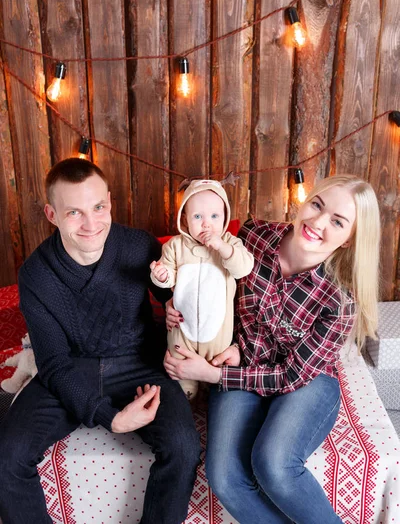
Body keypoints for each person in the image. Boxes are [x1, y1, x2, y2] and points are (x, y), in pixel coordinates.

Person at [163, 174, 381, 524]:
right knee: (224, 476)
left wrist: (214, 374)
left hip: (306, 382)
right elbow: (208, 280)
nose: (317, 222)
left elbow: (292, 375)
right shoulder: (253, 236)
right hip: (241, 364)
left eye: (337, 221)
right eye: (317, 205)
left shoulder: (340, 301)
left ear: (350, 239)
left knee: (274, 464)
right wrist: (175, 304)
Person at [0, 158, 200, 524]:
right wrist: (110, 418)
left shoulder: (139, 246)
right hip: (71, 368)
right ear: (51, 213)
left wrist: (174, 303)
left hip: (141, 363)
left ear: (109, 201)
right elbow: (54, 364)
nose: (91, 224)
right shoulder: (35, 275)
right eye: (74, 212)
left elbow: (177, 292)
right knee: (7, 457)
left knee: (184, 448)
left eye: (98, 208)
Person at [150, 179, 254, 399]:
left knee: (219, 359)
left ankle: (211, 383)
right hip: (182, 328)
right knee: (178, 355)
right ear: (185, 221)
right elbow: (167, 276)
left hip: (217, 334)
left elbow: (243, 267)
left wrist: (223, 248)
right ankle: (186, 387)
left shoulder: (231, 243)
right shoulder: (175, 246)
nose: (207, 224)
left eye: (215, 216)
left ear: (225, 218)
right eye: (198, 217)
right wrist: (160, 276)